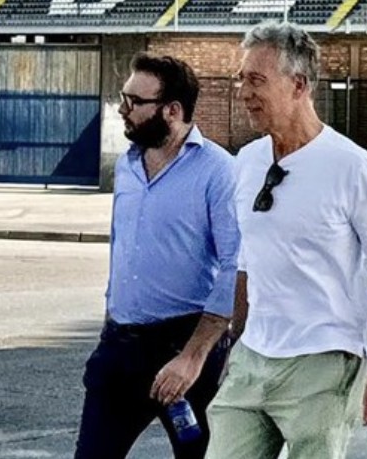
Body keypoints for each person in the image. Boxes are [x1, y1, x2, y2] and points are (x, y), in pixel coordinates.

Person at [205, 21, 367, 459]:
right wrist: (236, 346)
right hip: (254, 358)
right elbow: (247, 261)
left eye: (256, 80)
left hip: (324, 362)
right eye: (242, 80)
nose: (243, 93)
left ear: (298, 85)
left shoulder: (350, 165)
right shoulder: (247, 162)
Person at [74, 52, 239, 459]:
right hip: (120, 346)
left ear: (172, 111)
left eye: (134, 101)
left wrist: (194, 357)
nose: (122, 109)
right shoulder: (127, 166)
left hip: (184, 346)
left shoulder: (218, 171)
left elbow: (234, 266)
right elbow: (123, 249)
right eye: (123, 98)